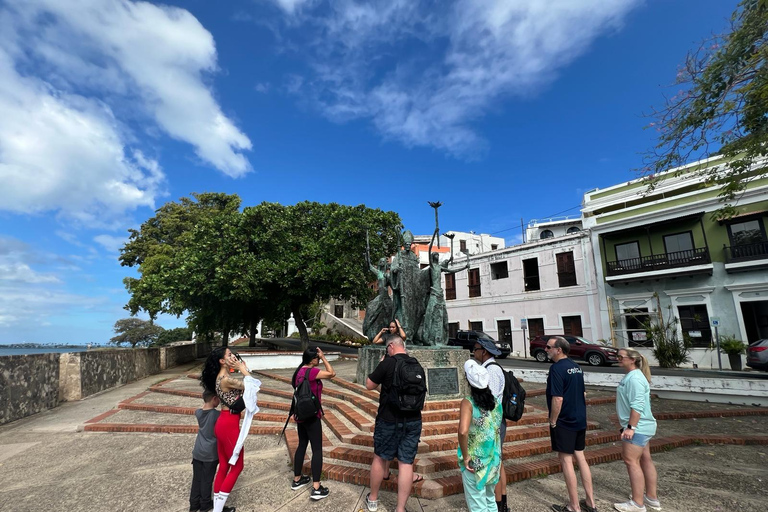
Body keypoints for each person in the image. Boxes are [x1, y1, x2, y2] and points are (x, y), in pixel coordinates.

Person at [365, 336, 423, 512]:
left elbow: (369, 384)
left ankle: (373, 500)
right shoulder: (416, 364)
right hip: (413, 420)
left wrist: (381, 364)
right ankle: (400, 509)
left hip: (388, 419)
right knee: (406, 463)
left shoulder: (387, 363)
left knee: (380, 458)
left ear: (390, 346)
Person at [545, 337, 596, 512]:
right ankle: (590, 502)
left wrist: (553, 420)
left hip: (564, 420)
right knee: (581, 457)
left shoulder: (556, 369)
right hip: (579, 418)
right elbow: (583, 393)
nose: (546, 349)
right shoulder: (576, 367)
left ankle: (574, 506)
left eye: (549, 347)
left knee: (566, 460)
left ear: (559, 350)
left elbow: (557, 398)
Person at [199, 347, 250, 512]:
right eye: (229, 355)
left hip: (224, 422)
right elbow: (252, 386)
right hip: (228, 425)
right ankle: (218, 509)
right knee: (237, 466)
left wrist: (242, 368)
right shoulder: (225, 379)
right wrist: (243, 369)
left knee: (224, 466)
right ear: (222, 361)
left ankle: (218, 507)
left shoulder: (224, 377)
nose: (233, 356)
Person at [613, 348, 660, 512]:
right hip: (643, 426)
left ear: (632, 359)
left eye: (621, 356)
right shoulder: (633, 376)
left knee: (631, 461)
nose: (618, 358)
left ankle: (638, 503)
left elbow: (637, 405)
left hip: (637, 427)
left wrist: (631, 427)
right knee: (645, 459)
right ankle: (651, 497)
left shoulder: (634, 379)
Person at [290, 347, 336, 500]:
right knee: (317, 450)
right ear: (312, 359)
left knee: (302, 445)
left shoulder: (299, 372)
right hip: (312, 415)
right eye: (316, 357)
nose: (318, 359)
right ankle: (316, 487)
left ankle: (297, 479)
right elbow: (332, 373)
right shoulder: (312, 372)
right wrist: (324, 358)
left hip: (300, 415)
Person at [458, 359, 503, 512]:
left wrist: (465, 457)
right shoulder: (496, 402)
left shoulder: (468, 403)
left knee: (477, 504)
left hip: (475, 460)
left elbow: (463, 431)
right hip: (493, 458)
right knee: (490, 500)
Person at [471, 336, 509, 512]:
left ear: (484, 351)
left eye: (476, 349)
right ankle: (500, 503)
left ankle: (499, 504)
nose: (474, 352)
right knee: (497, 463)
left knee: (495, 464)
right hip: (491, 423)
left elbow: (490, 400)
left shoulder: (491, 371)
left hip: (491, 424)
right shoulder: (487, 368)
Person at [189, 389, 220, 512]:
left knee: (197, 478)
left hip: (198, 451)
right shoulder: (216, 415)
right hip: (210, 453)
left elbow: (202, 409)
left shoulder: (198, 413)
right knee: (207, 480)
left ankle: (194, 503)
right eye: (218, 399)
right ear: (214, 398)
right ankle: (205, 503)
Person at [363, 257, 395, 343]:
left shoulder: (387, 275)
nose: (381, 263)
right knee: (370, 308)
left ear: (385, 263)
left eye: (383, 262)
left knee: (391, 312)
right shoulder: (378, 273)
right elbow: (370, 267)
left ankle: (388, 332)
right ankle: (370, 330)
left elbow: (393, 286)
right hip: (380, 296)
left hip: (386, 296)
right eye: (380, 261)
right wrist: (367, 256)